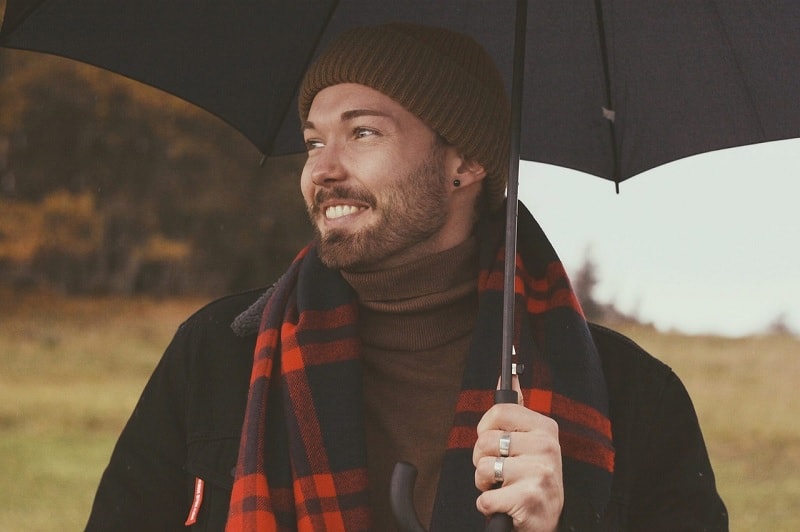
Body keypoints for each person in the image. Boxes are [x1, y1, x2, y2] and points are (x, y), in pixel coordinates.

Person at [85, 23, 728, 531]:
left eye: (363, 132)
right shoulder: (218, 354)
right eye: (313, 141)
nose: (323, 170)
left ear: (466, 163)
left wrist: (561, 526)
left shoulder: (632, 394)